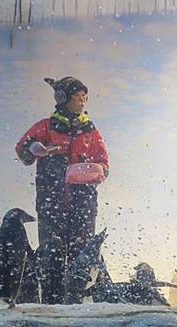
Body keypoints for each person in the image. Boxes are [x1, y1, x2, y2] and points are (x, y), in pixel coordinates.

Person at [15, 76, 109, 304]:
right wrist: (34, 148)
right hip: (51, 203)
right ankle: (51, 306)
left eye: (85, 97)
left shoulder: (91, 132)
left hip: (83, 205)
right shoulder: (46, 127)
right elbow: (23, 148)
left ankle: (77, 306)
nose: (83, 101)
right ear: (62, 98)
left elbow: (104, 165)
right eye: (78, 96)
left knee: (81, 256)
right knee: (51, 255)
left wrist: (95, 169)